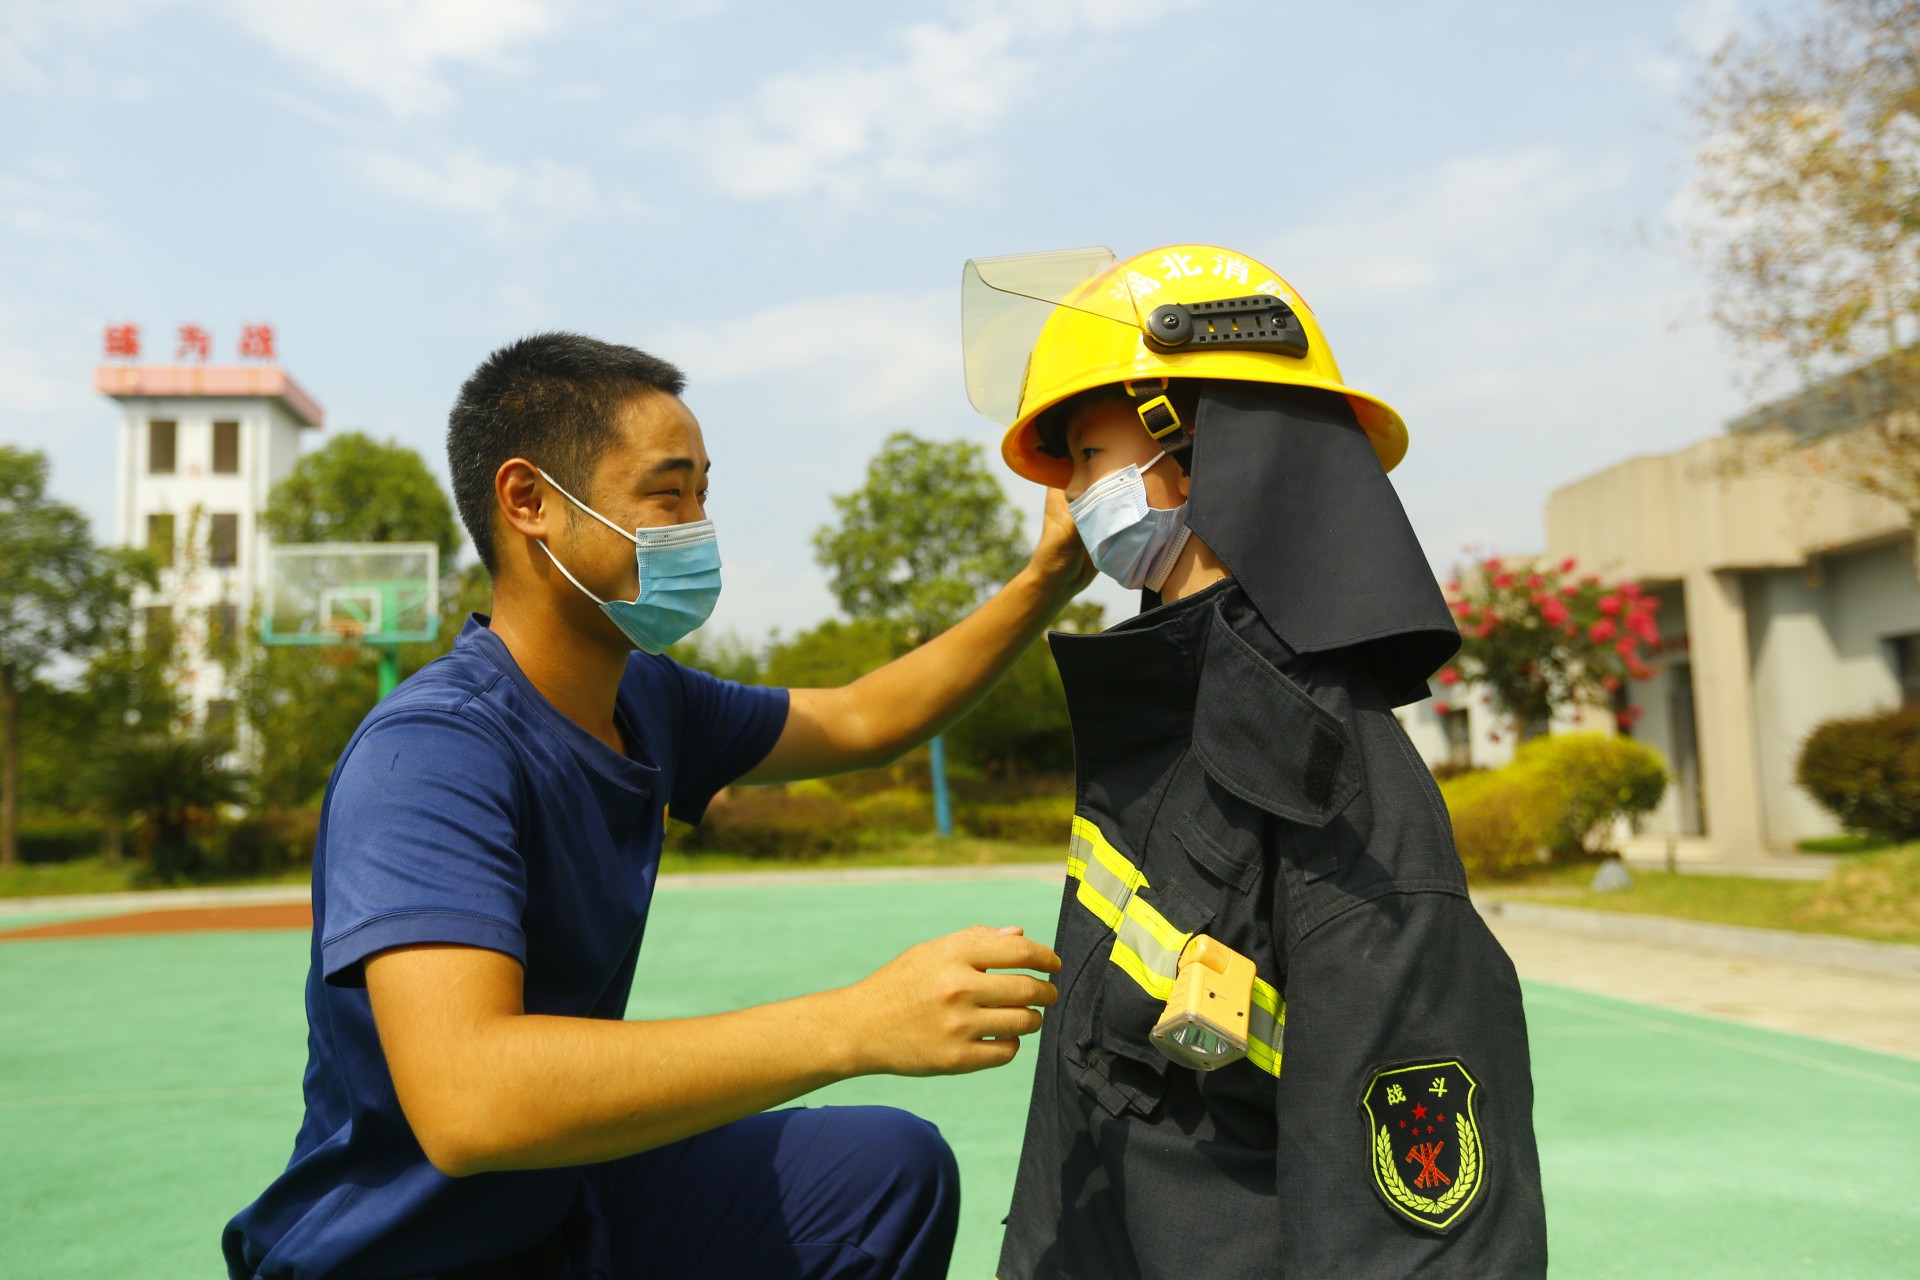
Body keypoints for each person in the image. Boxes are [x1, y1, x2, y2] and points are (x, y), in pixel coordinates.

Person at [223, 332, 1094, 1280]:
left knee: (884, 1172)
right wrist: (856, 1023)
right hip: (403, 1258)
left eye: (704, 495)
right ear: (531, 504)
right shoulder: (431, 754)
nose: (697, 528)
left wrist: (1049, 575)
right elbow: (470, 1100)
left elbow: (858, 719)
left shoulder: (645, 698)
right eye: (666, 494)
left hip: (555, 1207)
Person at [961, 245, 1549, 1277]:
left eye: (1087, 455)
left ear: (1188, 453)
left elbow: (1409, 1240)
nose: (1068, 494)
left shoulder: (1335, 784)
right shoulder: (1175, 717)